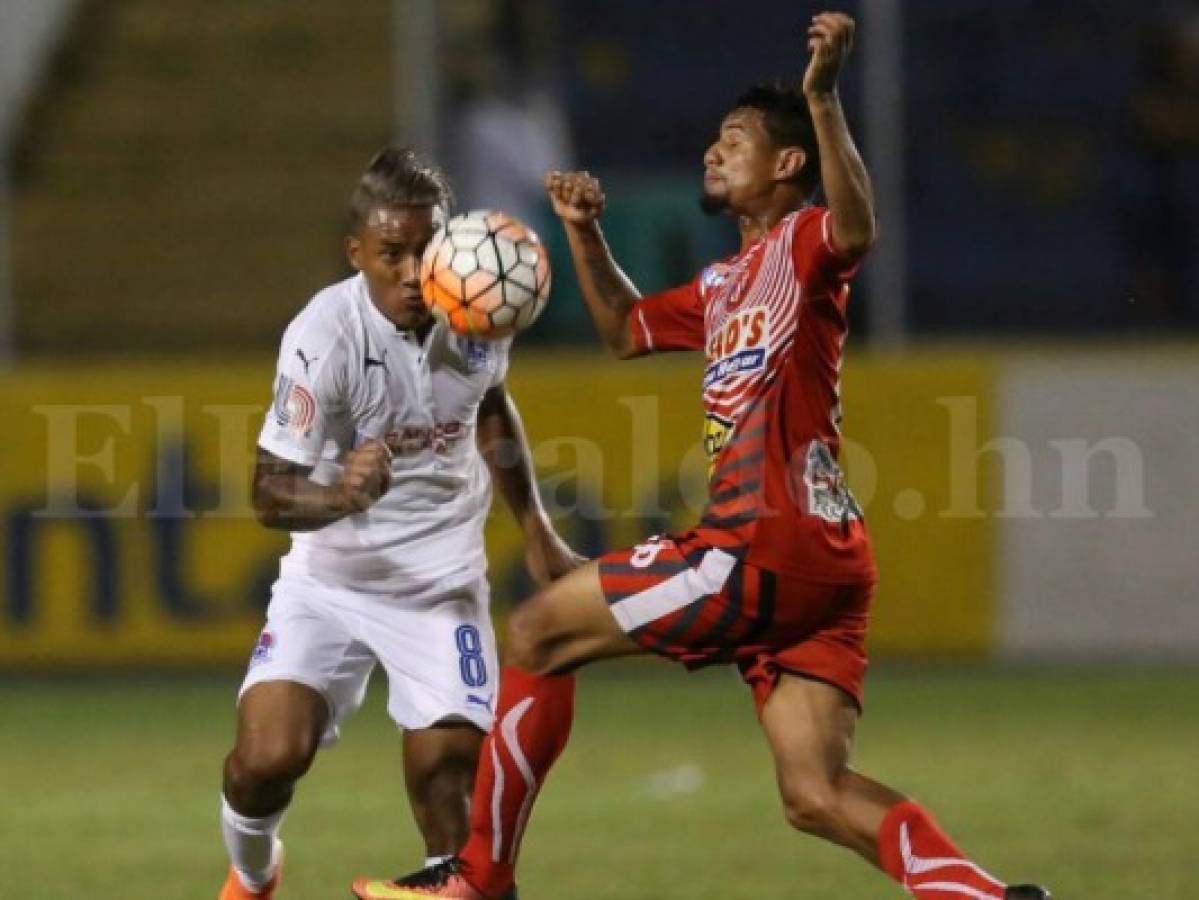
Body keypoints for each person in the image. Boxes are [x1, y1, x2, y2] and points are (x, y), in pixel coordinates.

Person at [350, 13, 1050, 900]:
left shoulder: (804, 244)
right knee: (815, 792)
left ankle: (479, 881)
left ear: (786, 165)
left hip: (760, 543)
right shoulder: (725, 281)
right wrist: (583, 233)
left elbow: (857, 226)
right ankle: (989, 898)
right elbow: (625, 330)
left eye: (734, 142)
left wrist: (822, 100)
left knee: (533, 633)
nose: (713, 154)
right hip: (821, 565)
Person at [217, 146, 580, 900]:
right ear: (358, 255)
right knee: (262, 761)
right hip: (330, 580)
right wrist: (343, 496)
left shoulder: (478, 303)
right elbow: (266, 493)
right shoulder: (324, 334)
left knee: (448, 777)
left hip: (440, 586)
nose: (416, 272)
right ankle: (253, 876)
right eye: (393, 254)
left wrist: (537, 529)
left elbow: (488, 403)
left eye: (428, 249)